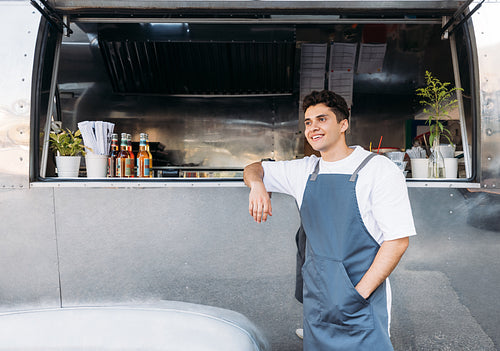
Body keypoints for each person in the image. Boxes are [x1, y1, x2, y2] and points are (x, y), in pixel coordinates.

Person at [243, 90, 416, 350]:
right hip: (318, 302)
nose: (313, 128)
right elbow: (254, 167)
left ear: (343, 124)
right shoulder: (304, 170)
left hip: (361, 301)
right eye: (308, 122)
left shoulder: (378, 170)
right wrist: (257, 185)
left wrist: (358, 295)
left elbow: (397, 241)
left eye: (322, 119)